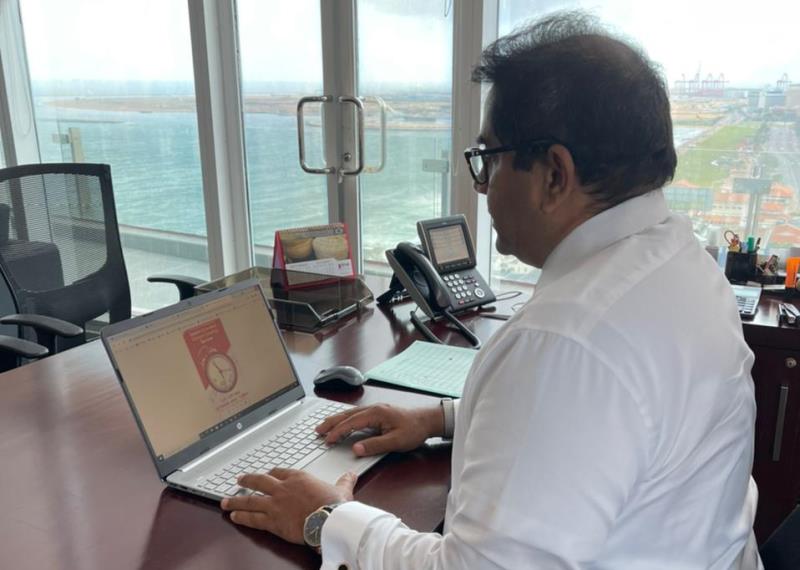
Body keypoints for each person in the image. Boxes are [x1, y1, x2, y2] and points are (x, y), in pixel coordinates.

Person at [221, 11, 762, 569]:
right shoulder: (682, 262)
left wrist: (326, 521)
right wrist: (439, 420)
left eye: (487, 160)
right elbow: (599, 430)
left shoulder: (566, 341)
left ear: (554, 175)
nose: (481, 188)